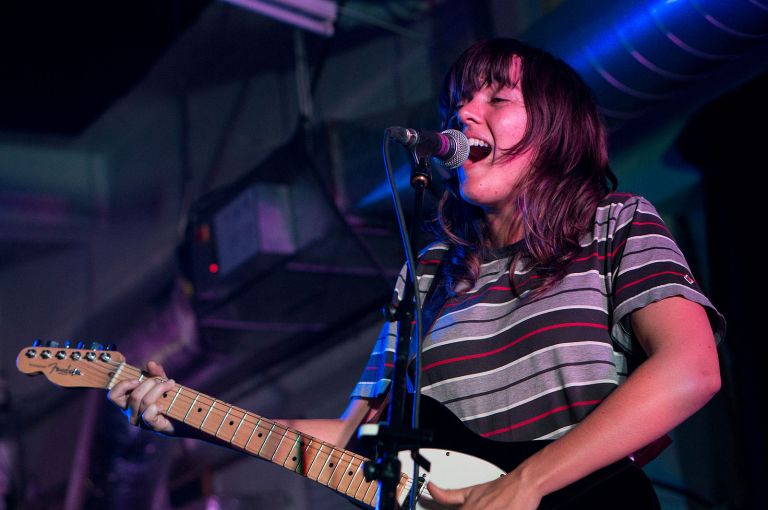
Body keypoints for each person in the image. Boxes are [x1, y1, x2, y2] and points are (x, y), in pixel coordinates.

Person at [109, 38, 724, 509]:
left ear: (556, 128)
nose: (464, 113)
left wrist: (526, 484)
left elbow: (691, 369)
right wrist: (194, 417)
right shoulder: (427, 274)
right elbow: (354, 436)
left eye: (496, 99)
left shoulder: (615, 223)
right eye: (460, 101)